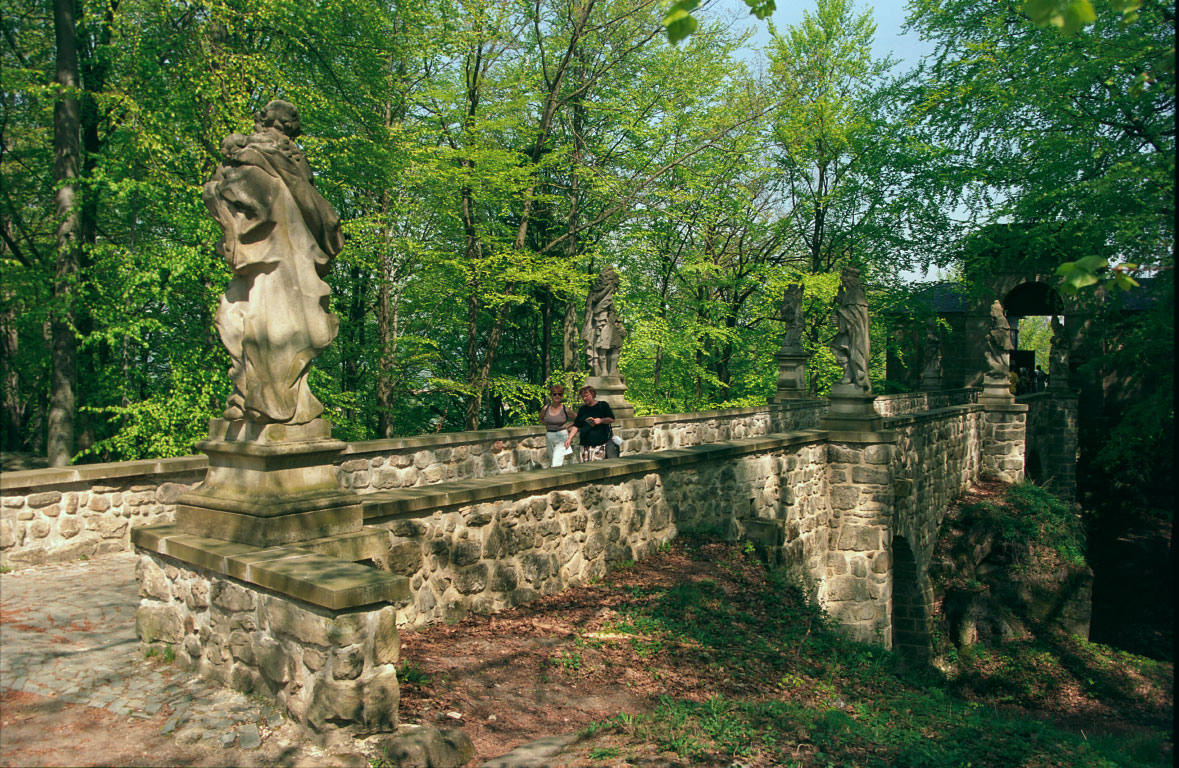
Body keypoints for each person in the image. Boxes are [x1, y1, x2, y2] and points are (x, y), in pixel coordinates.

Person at [565, 385, 617, 462]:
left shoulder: (602, 405)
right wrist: (569, 438)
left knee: (598, 469)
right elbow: (576, 425)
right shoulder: (582, 409)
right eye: (582, 397)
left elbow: (611, 419)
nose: (584, 398)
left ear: (592, 394)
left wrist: (601, 420)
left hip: (600, 444)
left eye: (586, 396)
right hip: (585, 445)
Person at [539, 385, 575, 467]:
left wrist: (568, 426)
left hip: (561, 437)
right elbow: (540, 418)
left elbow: (577, 419)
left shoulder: (565, 409)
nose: (557, 396)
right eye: (554, 394)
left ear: (562, 396)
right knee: (554, 461)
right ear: (551, 395)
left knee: (555, 464)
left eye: (560, 394)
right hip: (550, 436)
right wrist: (547, 424)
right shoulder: (546, 408)